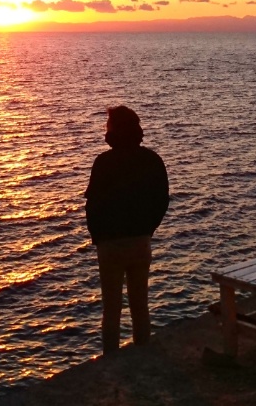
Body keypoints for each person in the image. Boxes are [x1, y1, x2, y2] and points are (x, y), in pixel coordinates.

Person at [84, 106, 169, 354]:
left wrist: (97, 237)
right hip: (140, 241)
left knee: (111, 309)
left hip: (110, 245)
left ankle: (111, 361)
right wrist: (149, 229)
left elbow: (93, 204)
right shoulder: (152, 160)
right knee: (140, 305)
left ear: (114, 130)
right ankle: (142, 354)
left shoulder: (103, 162)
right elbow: (161, 200)